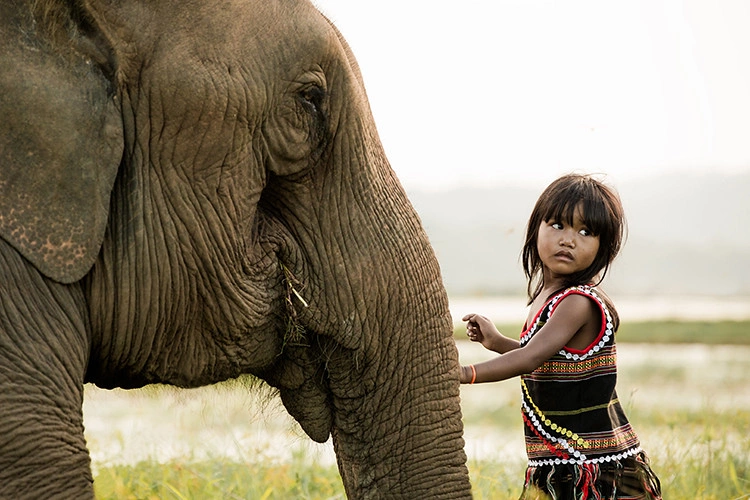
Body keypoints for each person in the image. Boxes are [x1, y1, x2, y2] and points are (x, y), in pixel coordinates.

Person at [459, 174, 662, 499]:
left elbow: (532, 357)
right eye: (558, 225)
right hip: (561, 462)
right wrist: (497, 343)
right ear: (535, 228)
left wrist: (463, 374)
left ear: (602, 248)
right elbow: (549, 362)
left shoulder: (578, 302)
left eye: (585, 232)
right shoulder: (548, 296)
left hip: (595, 470)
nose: (569, 240)